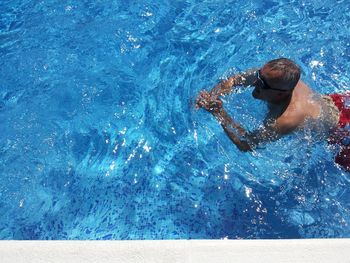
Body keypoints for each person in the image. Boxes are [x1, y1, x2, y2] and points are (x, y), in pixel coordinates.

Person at [196, 58, 350, 171]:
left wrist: (218, 112)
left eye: (261, 84)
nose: (255, 83)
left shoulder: (284, 119)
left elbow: (246, 143)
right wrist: (212, 97)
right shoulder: (268, 77)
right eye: (257, 76)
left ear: (281, 94)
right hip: (336, 101)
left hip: (340, 132)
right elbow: (232, 81)